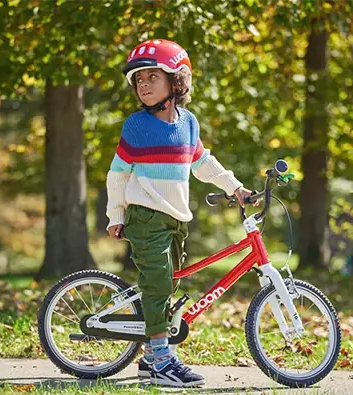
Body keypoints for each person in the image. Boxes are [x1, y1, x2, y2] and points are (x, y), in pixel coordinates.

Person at [105, 39, 256, 388]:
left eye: (151, 77)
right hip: (145, 216)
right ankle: (160, 359)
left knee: (168, 282)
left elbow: (202, 163)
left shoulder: (188, 123)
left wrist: (235, 187)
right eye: (138, 79)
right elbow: (118, 174)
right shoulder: (136, 126)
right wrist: (116, 214)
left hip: (176, 218)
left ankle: (149, 357)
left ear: (177, 82)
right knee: (158, 283)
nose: (142, 84)